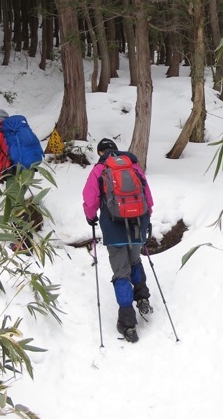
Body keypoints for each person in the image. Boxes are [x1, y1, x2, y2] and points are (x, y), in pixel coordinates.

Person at [82, 137, 154, 343]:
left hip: (113, 227)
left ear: (100, 152)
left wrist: (90, 217)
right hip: (138, 223)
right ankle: (142, 297)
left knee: (121, 272)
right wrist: (146, 219)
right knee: (135, 261)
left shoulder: (100, 170)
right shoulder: (133, 166)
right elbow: (147, 196)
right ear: (116, 150)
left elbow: (90, 199)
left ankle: (128, 323)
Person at [0, 108, 43, 254]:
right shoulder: (15, 132)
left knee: (17, 206)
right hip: (28, 169)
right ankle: (19, 236)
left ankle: (23, 244)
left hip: (14, 173)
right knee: (18, 203)